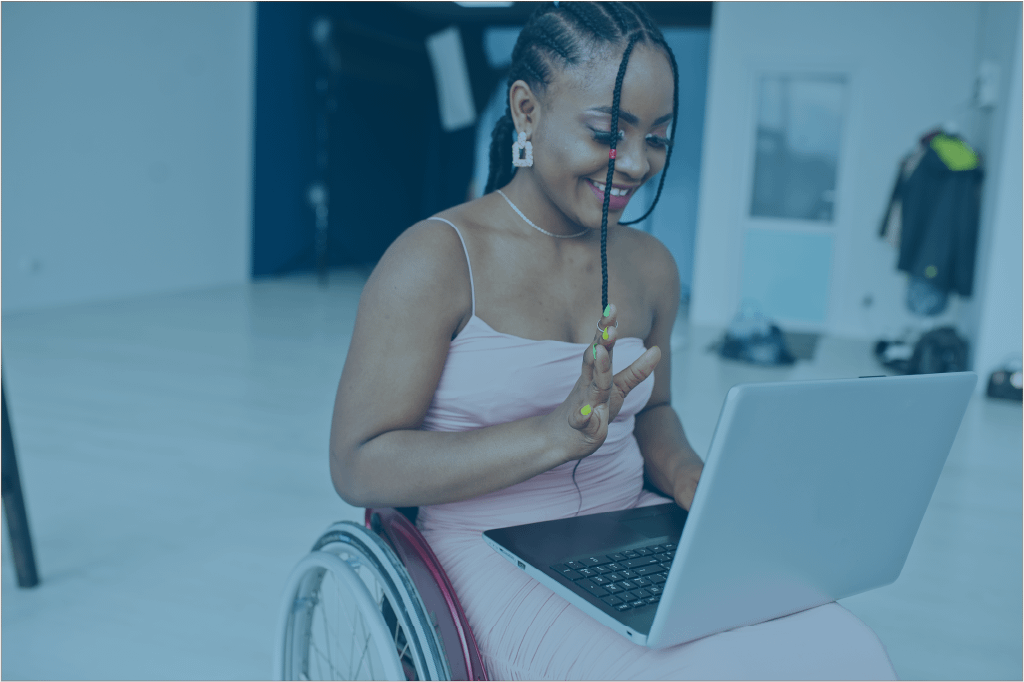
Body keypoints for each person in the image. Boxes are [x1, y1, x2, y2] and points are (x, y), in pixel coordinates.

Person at [329, 3, 897, 678]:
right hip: (483, 556)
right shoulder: (435, 260)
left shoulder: (650, 266)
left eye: (658, 137)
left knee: (849, 649)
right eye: (608, 132)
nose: (635, 164)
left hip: (632, 529)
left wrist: (692, 478)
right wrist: (551, 435)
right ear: (526, 110)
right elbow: (359, 465)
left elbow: (652, 412)